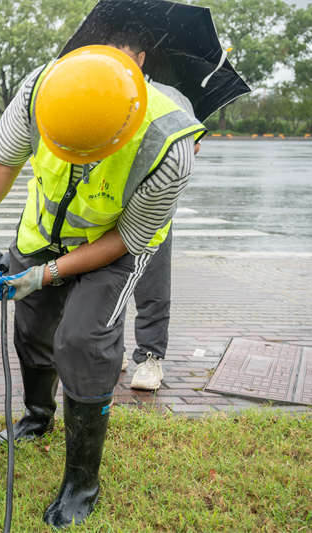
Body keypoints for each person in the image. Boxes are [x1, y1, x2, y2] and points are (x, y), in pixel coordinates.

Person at [0, 46, 205, 528]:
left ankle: (82, 481)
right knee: (31, 328)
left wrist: (49, 274)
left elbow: (128, 237)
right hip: (42, 232)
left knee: (82, 340)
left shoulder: (170, 145)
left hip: (114, 246)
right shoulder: (39, 92)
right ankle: (38, 416)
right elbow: (1, 163)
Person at [101, 31, 202, 391]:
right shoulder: (99, 91)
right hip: (107, 203)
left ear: (141, 58)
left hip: (153, 205)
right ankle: (111, 351)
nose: (113, 59)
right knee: (107, 281)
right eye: (107, 52)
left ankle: (150, 357)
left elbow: (190, 150)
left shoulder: (171, 97)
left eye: (122, 53)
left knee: (152, 281)